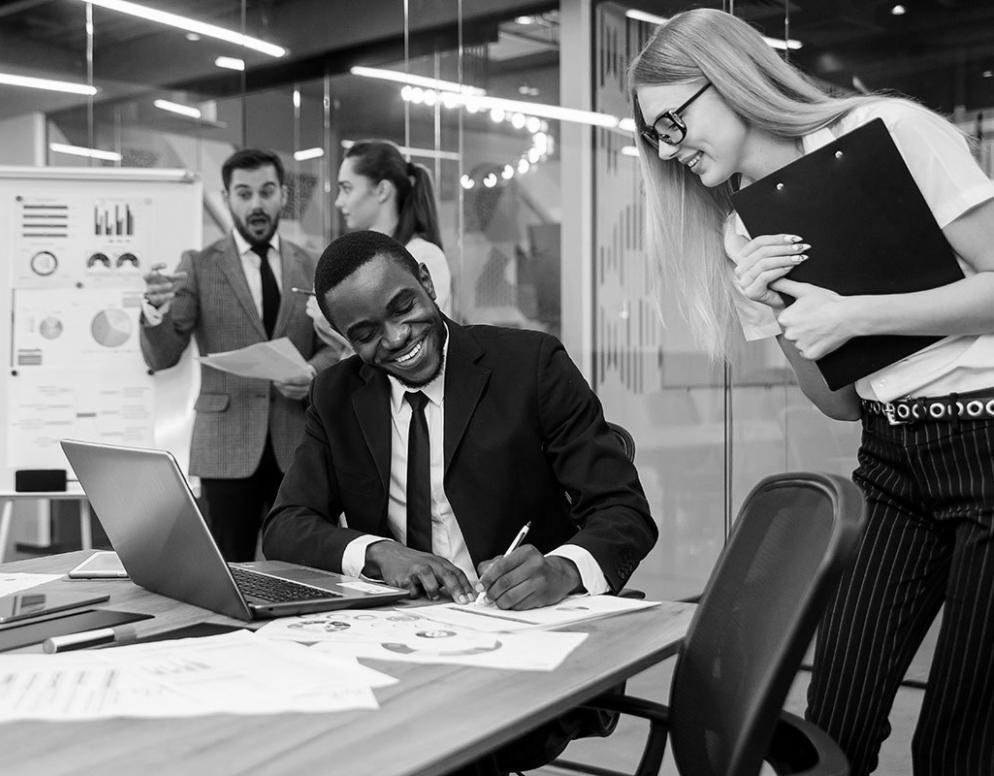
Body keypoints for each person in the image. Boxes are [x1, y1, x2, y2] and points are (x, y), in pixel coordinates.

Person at [628, 9, 994, 775]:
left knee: (958, 741)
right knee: (833, 722)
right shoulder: (742, 233)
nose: (669, 148)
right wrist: (789, 317)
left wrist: (859, 312)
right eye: (655, 136)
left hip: (988, 440)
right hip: (892, 455)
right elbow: (839, 402)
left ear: (726, 78)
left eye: (672, 121)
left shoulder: (888, 128)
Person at [263, 229, 656, 774]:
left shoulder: (530, 365)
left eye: (404, 307)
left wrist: (563, 570)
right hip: (399, 641)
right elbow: (286, 524)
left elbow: (624, 511)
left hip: (517, 639)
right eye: (367, 333)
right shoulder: (336, 395)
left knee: (424, 740)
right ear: (345, 340)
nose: (398, 338)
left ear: (426, 282)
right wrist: (382, 553)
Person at [140, 148, 338, 562]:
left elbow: (333, 346)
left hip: (298, 440)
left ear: (282, 196)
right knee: (229, 567)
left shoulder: (313, 265)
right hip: (225, 446)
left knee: (304, 564)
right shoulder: (198, 266)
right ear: (226, 197)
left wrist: (311, 372)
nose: (256, 204)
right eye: (244, 194)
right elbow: (163, 356)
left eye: (266, 192)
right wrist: (155, 312)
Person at [305, 140, 454, 354]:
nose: (338, 201)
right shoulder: (356, 266)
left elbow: (413, 349)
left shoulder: (425, 255)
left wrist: (332, 324)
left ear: (382, 190)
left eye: (347, 189)